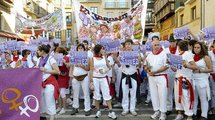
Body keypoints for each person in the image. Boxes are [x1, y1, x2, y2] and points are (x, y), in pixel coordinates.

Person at [89, 44, 117, 119]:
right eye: (102, 49)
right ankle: (98, 111)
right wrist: (91, 81)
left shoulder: (104, 57)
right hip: (95, 78)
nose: (104, 50)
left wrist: (104, 70)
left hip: (103, 78)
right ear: (99, 50)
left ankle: (111, 111)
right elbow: (91, 69)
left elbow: (109, 67)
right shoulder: (92, 58)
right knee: (96, 95)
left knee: (107, 94)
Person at [144, 36, 168, 120]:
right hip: (151, 77)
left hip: (161, 77)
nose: (156, 46)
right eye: (155, 45)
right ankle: (156, 111)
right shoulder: (149, 55)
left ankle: (163, 113)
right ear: (152, 46)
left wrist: (155, 72)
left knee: (162, 95)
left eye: (158, 45)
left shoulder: (164, 53)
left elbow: (166, 66)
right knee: (154, 95)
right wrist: (147, 69)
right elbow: (145, 65)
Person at [174, 40, 198, 120]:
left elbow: (195, 67)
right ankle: (180, 114)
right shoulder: (178, 55)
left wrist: (186, 65)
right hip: (177, 78)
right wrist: (170, 64)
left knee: (186, 97)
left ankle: (189, 116)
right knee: (178, 97)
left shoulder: (187, 54)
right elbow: (175, 69)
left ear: (179, 47)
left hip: (185, 79)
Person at [37, 44, 60, 120]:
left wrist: (46, 70)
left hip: (49, 84)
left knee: (50, 104)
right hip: (41, 84)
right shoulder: (39, 60)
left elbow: (57, 71)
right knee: (42, 104)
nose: (37, 52)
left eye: (39, 50)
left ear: (42, 51)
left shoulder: (51, 59)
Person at [119, 39, 141, 116]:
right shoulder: (121, 54)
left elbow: (139, 65)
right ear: (125, 46)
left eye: (129, 44)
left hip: (133, 74)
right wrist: (119, 58)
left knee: (133, 93)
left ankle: (132, 109)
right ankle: (125, 109)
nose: (128, 45)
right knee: (125, 93)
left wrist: (139, 58)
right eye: (127, 44)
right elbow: (119, 64)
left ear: (132, 45)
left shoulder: (136, 54)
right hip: (125, 74)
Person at [192, 42, 212, 119]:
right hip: (193, 80)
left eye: (198, 47)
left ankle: (204, 115)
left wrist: (200, 71)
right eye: (195, 47)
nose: (196, 49)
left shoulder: (205, 57)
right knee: (194, 98)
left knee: (203, 99)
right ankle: (193, 113)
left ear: (201, 48)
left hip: (202, 81)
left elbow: (211, 69)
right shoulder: (192, 57)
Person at [70, 44, 91, 116]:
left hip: (84, 76)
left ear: (84, 49)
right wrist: (71, 75)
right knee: (75, 94)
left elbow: (88, 68)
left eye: (81, 48)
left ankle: (87, 109)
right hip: (75, 77)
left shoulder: (87, 57)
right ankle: (75, 107)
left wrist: (81, 66)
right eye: (79, 48)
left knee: (86, 93)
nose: (80, 49)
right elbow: (71, 67)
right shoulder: (74, 57)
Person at [164, 35, 179, 115]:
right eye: (171, 41)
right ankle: (168, 107)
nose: (172, 43)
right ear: (169, 42)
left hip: (178, 72)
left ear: (176, 42)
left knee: (178, 91)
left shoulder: (179, 50)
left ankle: (178, 108)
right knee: (169, 91)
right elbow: (163, 61)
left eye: (174, 41)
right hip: (169, 71)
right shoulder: (165, 50)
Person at [55, 47, 70, 115]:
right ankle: (59, 107)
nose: (56, 53)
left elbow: (69, 67)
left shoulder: (66, 58)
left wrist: (65, 62)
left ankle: (64, 108)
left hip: (64, 76)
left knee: (62, 93)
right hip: (58, 76)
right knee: (58, 93)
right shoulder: (56, 58)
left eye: (57, 52)